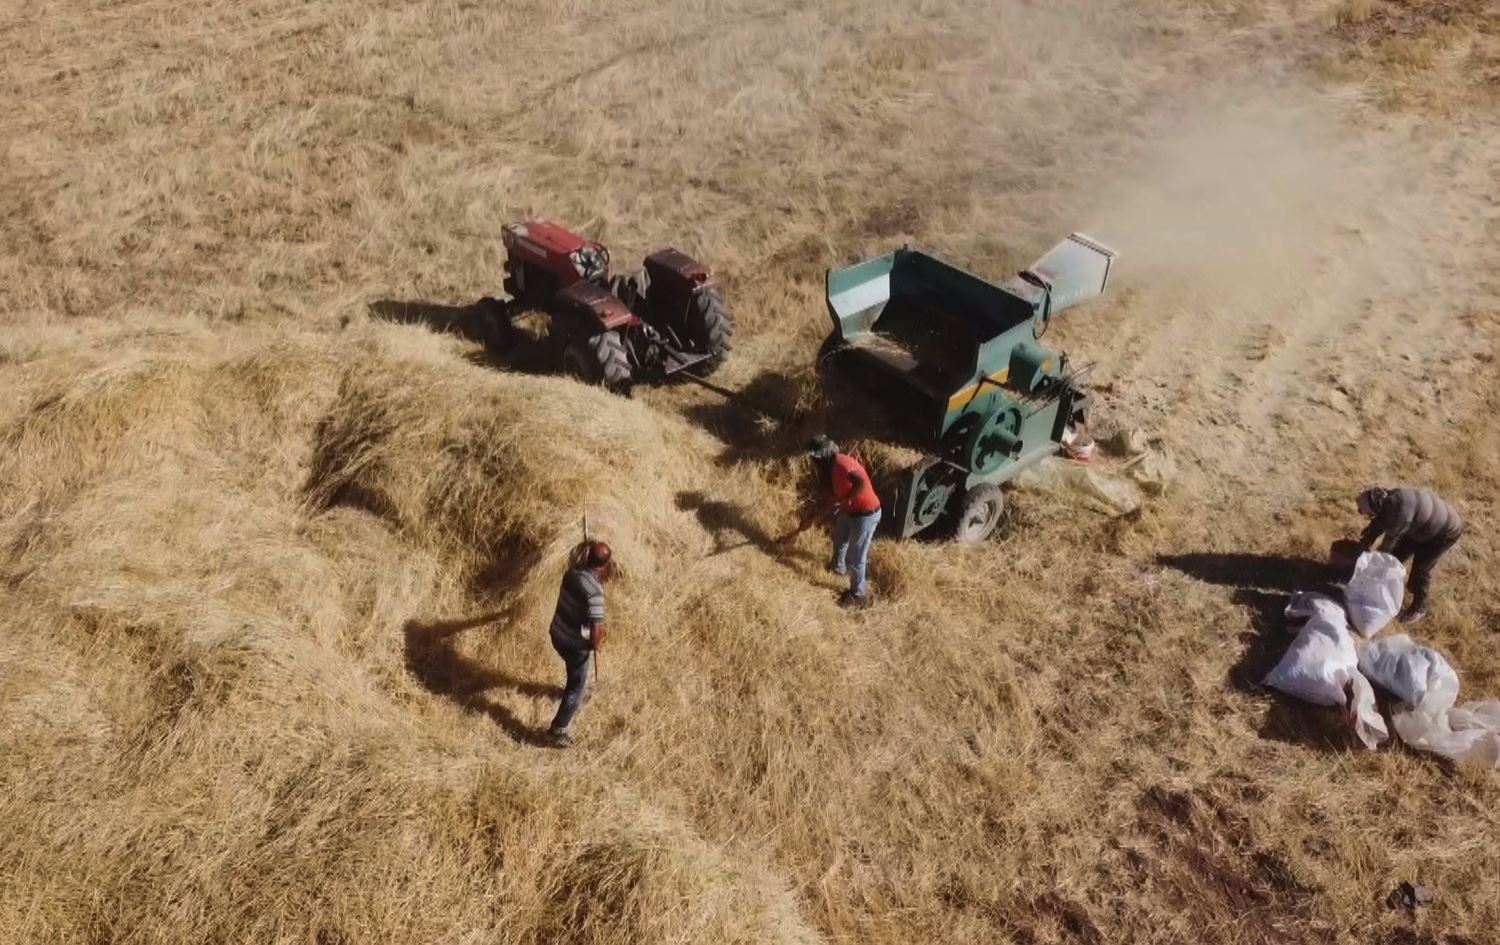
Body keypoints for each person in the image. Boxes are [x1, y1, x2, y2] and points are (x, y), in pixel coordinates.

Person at [779, 436, 882, 608]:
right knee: (839, 539)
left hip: (866, 514)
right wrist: (810, 519)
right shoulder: (831, 471)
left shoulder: (841, 464)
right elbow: (828, 500)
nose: (813, 463)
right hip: (849, 511)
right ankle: (837, 568)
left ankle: (859, 595)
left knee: (856, 557)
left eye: (814, 459)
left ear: (822, 457)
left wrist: (846, 500)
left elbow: (862, 483)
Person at [1354, 486, 1462, 624]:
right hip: (1422, 523)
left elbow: (1385, 549)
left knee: (1421, 567)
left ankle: (1419, 608)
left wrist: (1368, 565)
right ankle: (1383, 588)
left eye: (1366, 513)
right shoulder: (1387, 497)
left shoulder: (1400, 516)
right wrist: (1364, 542)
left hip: (1446, 531)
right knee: (1396, 558)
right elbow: (1380, 520)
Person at [547, 539, 612, 747]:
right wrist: (597, 645)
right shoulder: (595, 591)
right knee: (576, 687)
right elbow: (596, 628)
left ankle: (573, 690)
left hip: (557, 634)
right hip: (575, 644)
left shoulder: (570, 574)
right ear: (605, 565)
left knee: (572, 670)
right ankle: (557, 730)